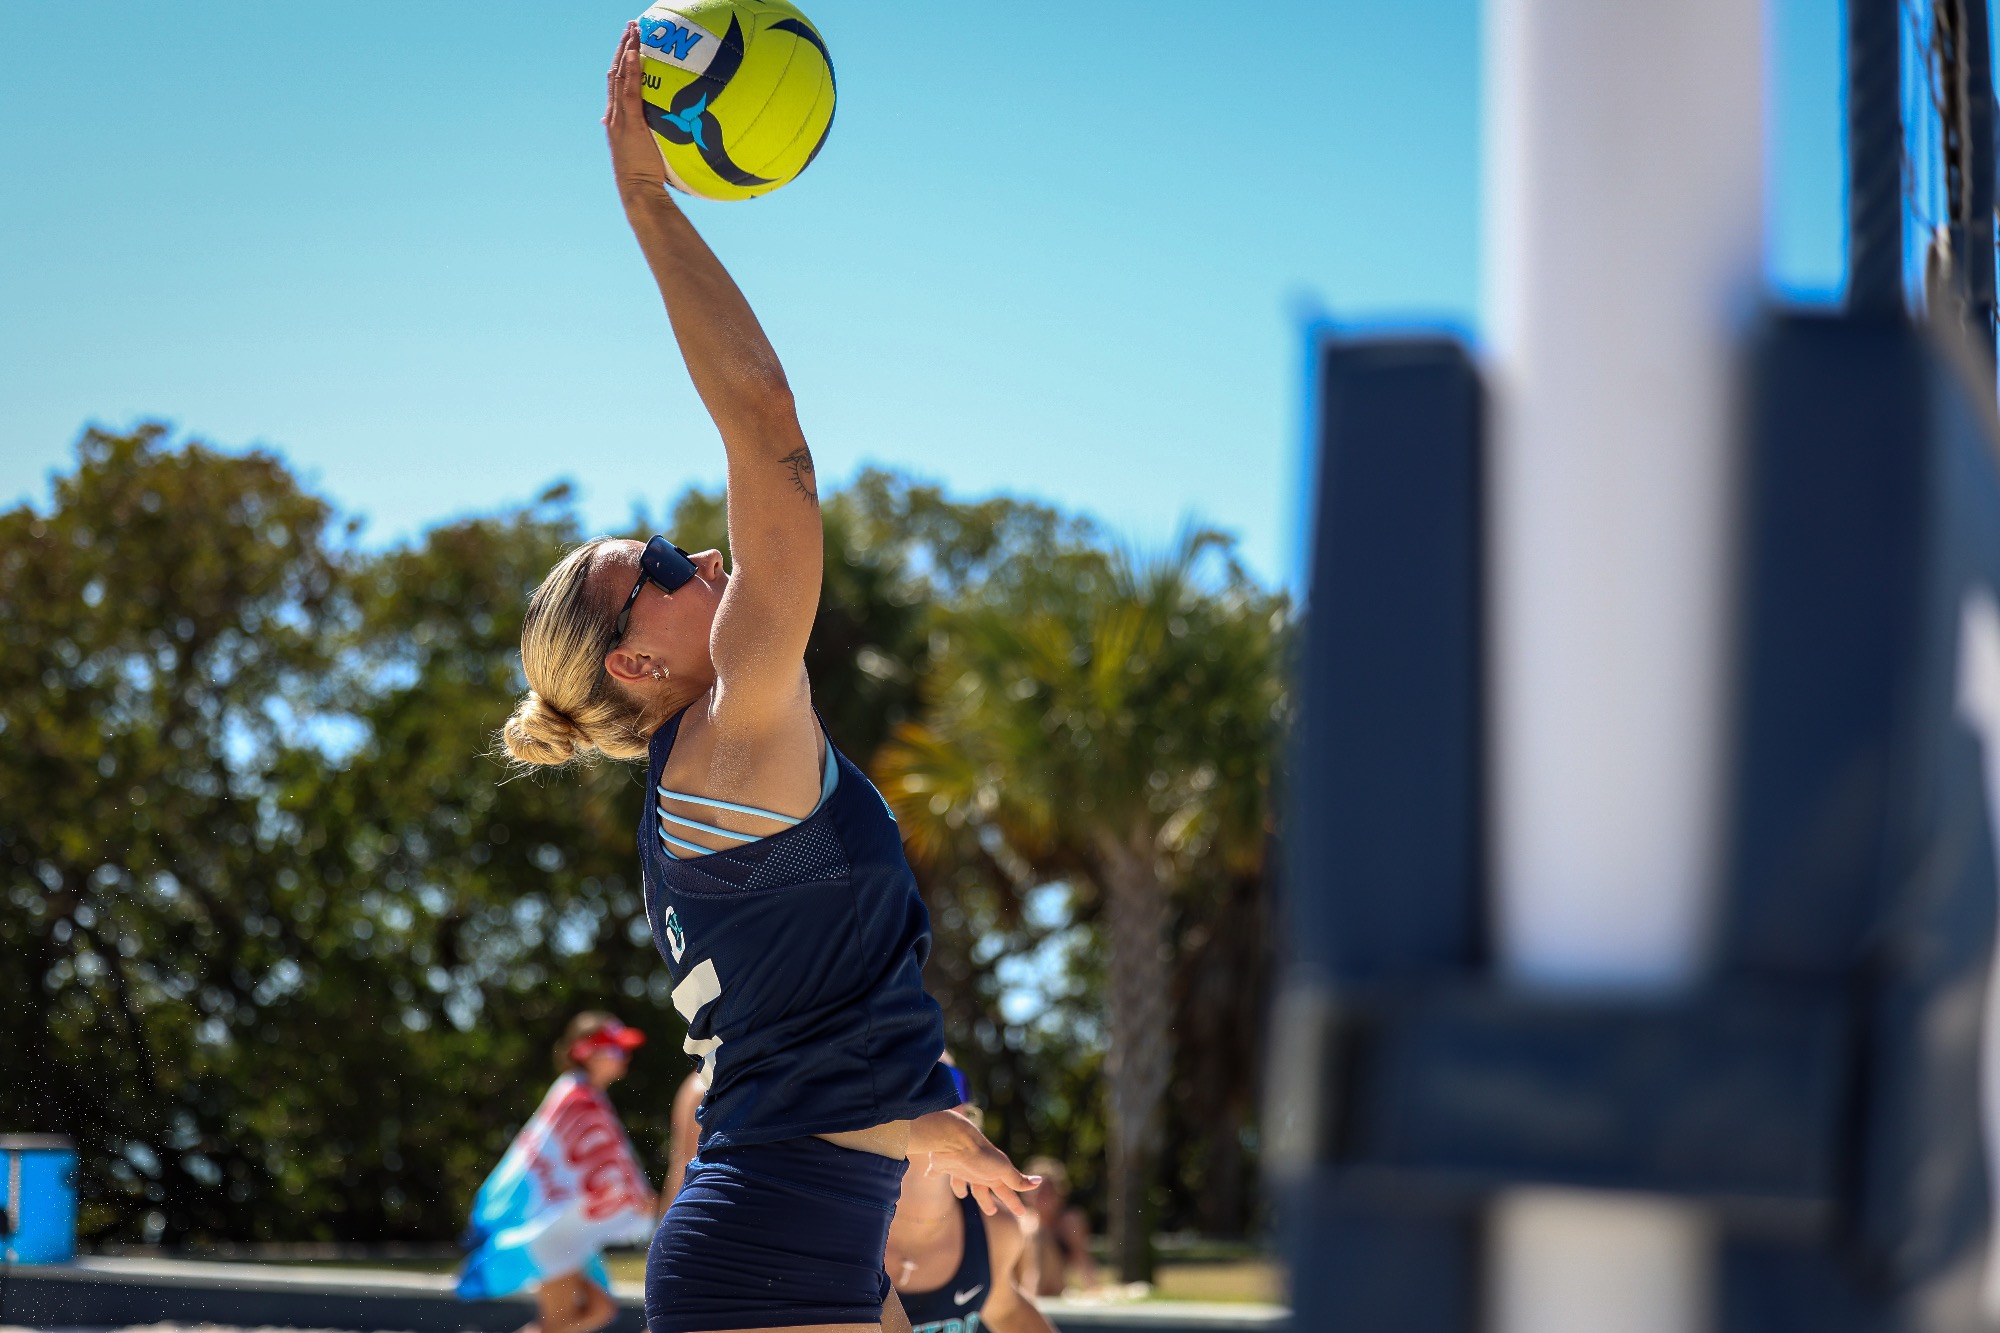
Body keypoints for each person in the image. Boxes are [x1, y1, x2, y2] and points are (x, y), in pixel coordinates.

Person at [497, 23, 1039, 1333]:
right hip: (774, 1243)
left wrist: (925, 1127)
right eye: (670, 563)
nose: (703, 555)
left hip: (792, 1235)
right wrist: (643, 200)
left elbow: (808, 1040)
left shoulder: (720, 764)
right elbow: (771, 437)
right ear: (637, 657)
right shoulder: (736, 723)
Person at [458, 1013, 657, 1333]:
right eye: (616, 1050)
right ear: (586, 1052)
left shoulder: (581, 1094)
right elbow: (595, 1165)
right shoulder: (578, 1097)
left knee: (593, 1311)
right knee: (573, 1318)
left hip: (559, 1229)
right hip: (550, 1229)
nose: (625, 1057)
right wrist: (637, 1198)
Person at [887, 1082, 1055, 1333]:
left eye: (950, 1081)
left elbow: (1007, 1309)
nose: (934, 1094)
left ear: (966, 1114)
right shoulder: (829, 1221)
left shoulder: (994, 1231)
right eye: (921, 1078)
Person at [1017, 1159, 1098, 1298]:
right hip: (1024, 1289)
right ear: (1028, 1193)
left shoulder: (1069, 1222)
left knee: (1041, 1232)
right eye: (1039, 1190)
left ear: (1060, 1192)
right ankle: (1030, 1298)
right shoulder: (1021, 1222)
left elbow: (1082, 1259)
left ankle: (1031, 1299)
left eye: (1049, 1190)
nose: (1044, 1196)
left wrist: (1094, 1292)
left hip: (1056, 1287)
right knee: (1037, 1232)